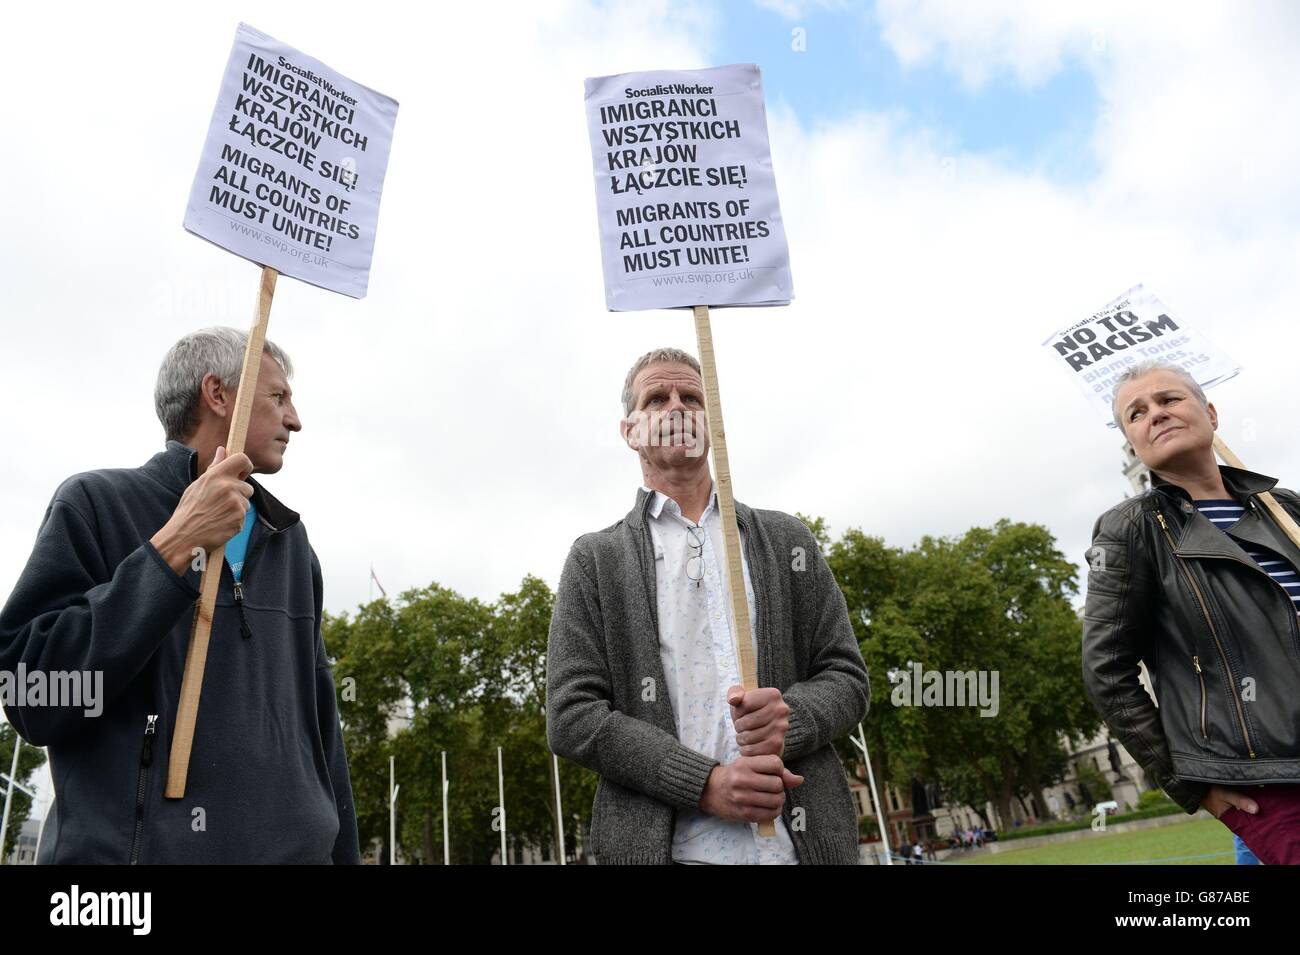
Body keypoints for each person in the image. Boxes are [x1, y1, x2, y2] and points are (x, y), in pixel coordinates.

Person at [0, 327, 360, 863]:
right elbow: (35, 696)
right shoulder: (95, 504)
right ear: (218, 395)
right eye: (278, 397)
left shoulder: (292, 543)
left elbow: (321, 727)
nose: (295, 419)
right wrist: (175, 544)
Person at [545, 347, 870, 864]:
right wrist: (704, 784)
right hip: (663, 852)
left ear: (712, 421)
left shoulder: (787, 539)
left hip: (801, 850)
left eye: (692, 397)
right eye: (657, 398)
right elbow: (573, 716)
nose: (677, 406)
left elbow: (848, 678)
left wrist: (793, 718)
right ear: (629, 431)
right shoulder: (595, 560)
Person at [1082, 359, 1300, 865]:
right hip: (1264, 781)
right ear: (1132, 445)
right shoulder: (1129, 529)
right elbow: (1106, 671)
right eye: (1136, 413)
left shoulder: (1285, 508)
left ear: (1211, 413)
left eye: (1169, 399)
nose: (1155, 414)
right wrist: (1189, 782)